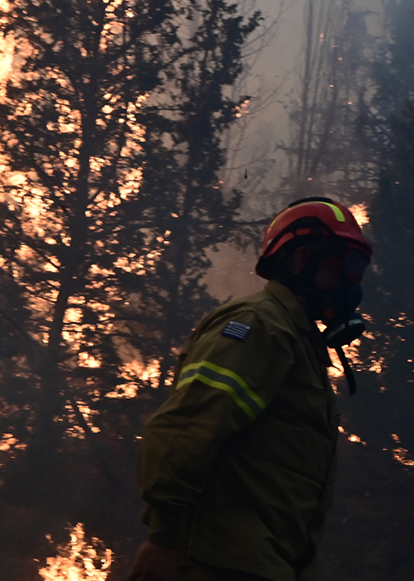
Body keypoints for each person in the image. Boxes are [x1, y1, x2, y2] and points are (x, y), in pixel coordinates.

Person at [127, 197, 373, 581]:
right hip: (223, 563)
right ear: (301, 259)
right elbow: (184, 430)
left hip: (266, 567)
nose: (353, 282)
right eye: (348, 264)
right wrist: (164, 540)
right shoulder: (257, 326)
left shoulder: (300, 344)